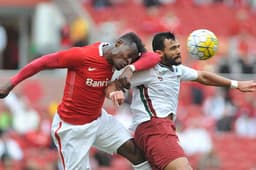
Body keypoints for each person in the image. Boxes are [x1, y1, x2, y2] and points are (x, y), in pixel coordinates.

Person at [0, 32, 161, 170]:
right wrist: (11, 83)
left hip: (98, 120)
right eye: (128, 56)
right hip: (72, 128)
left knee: (137, 153)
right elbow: (42, 62)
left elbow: (154, 57)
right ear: (118, 43)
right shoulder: (82, 56)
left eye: (132, 59)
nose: (127, 61)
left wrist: (131, 69)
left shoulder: (120, 64)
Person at [106, 31, 256, 170]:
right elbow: (114, 81)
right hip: (154, 127)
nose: (178, 50)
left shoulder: (176, 69)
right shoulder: (148, 70)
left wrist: (236, 84)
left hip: (163, 129)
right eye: (172, 48)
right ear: (159, 53)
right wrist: (114, 91)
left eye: (178, 46)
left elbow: (202, 76)